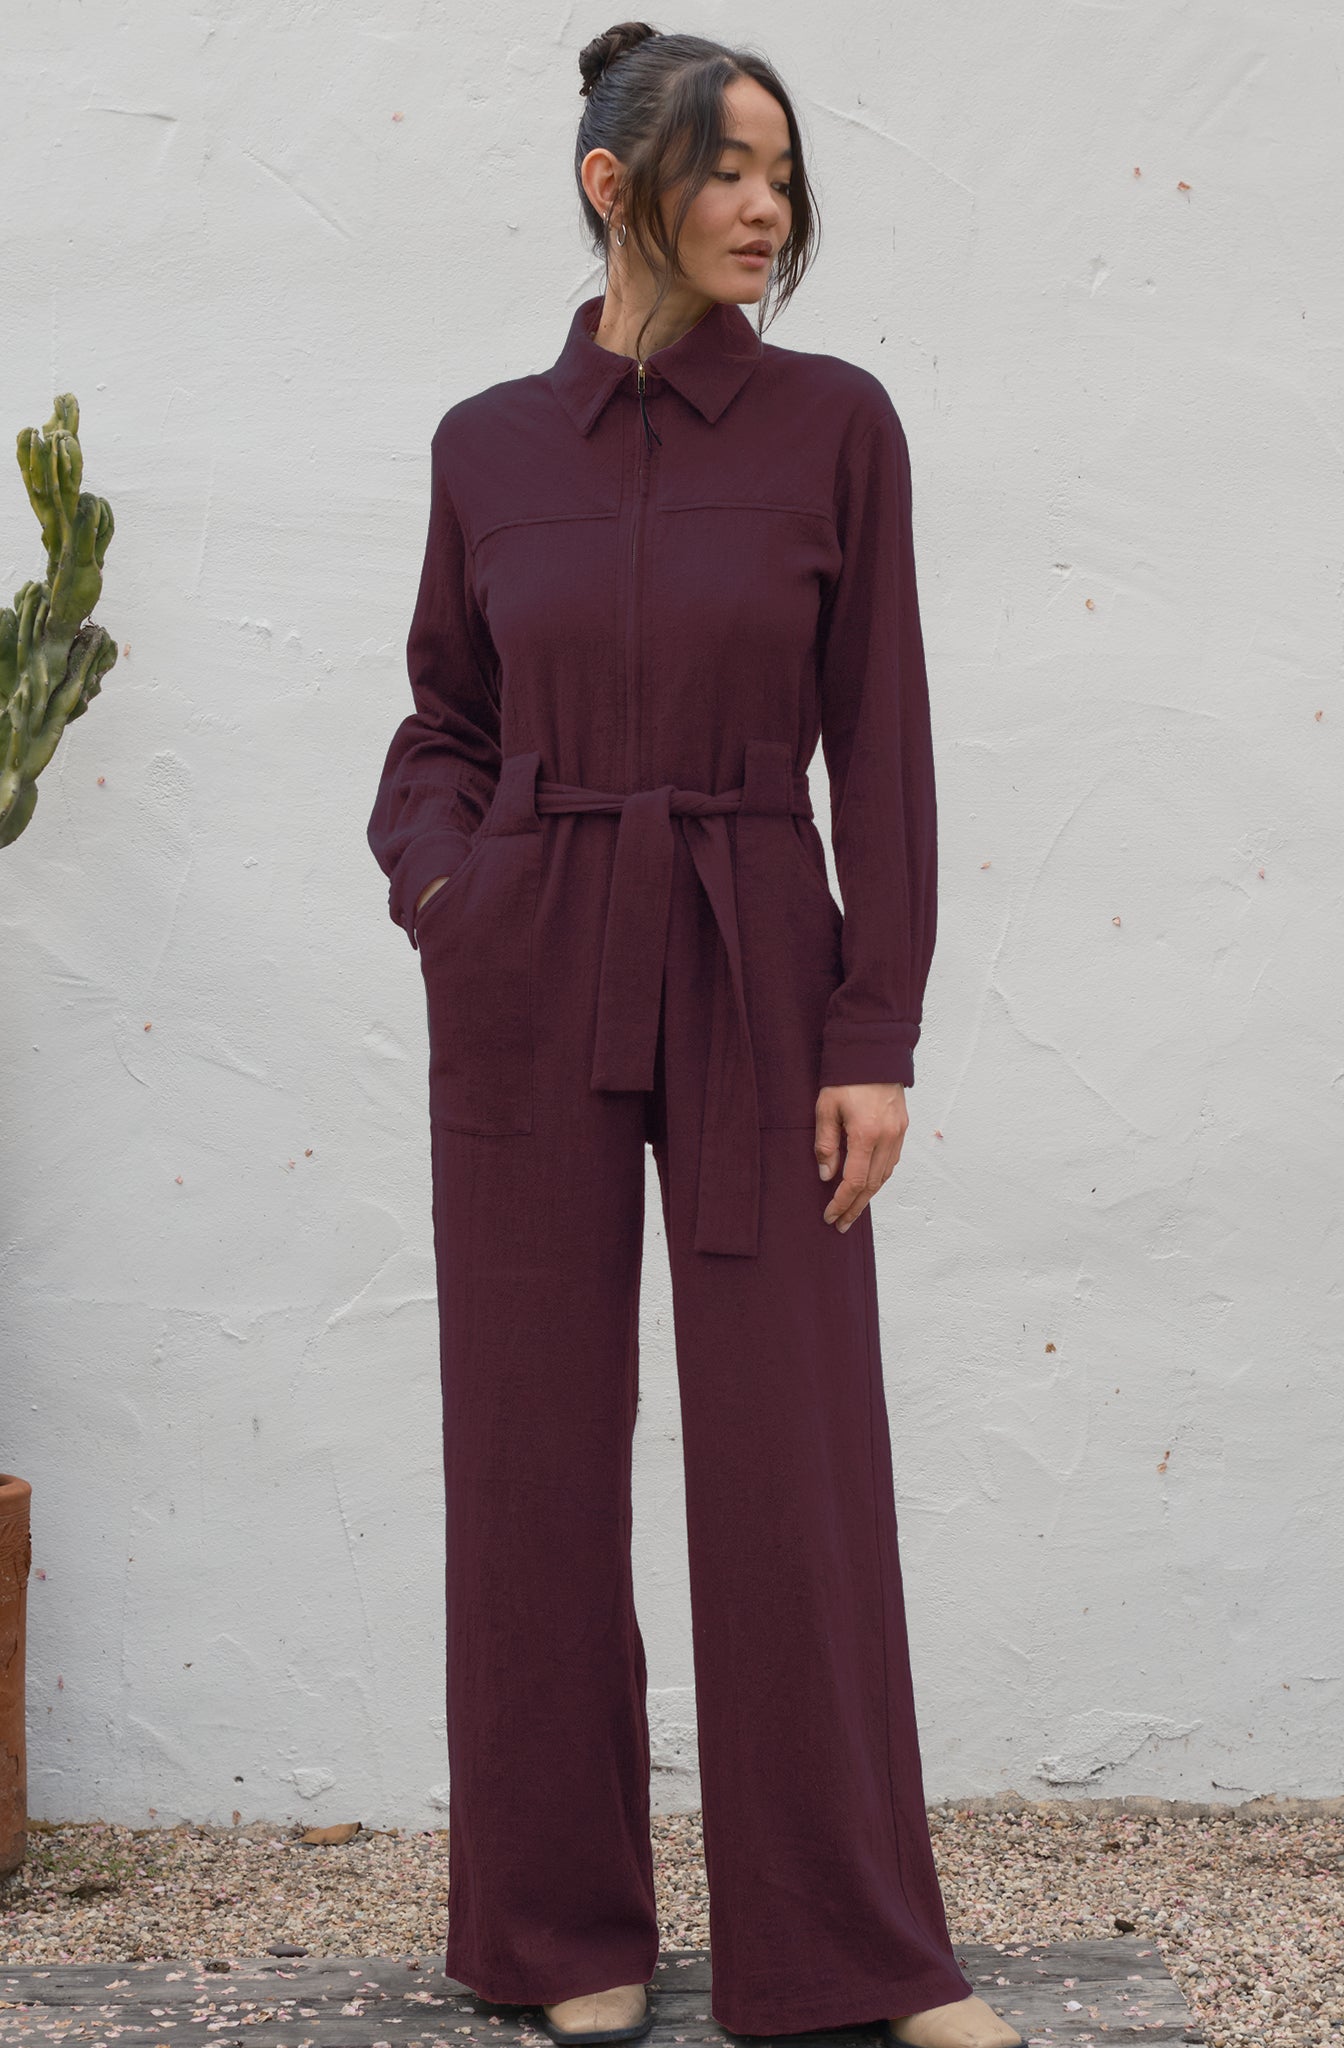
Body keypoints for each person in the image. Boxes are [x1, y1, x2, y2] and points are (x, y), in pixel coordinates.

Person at [367, 22, 1025, 2048]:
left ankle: (854, 1951)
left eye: (781, 176)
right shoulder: (488, 447)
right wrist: (447, 889)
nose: (765, 207)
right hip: (529, 956)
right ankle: (557, 1932)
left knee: (788, 1462)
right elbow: (441, 722)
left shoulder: (835, 428)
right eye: (726, 169)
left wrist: (873, 1025)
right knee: (530, 1454)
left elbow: (880, 746)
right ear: (612, 183)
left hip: (758, 956)